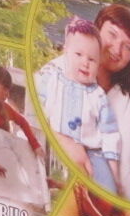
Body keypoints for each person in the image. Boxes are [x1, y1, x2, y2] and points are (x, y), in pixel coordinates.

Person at [33, 18, 120, 191]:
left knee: (106, 190)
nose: (85, 62)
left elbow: (110, 134)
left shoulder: (98, 95)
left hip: (92, 150)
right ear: (65, 53)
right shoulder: (52, 80)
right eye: (78, 55)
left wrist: (114, 172)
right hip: (54, 139)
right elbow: (36, 106)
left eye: (92, 59)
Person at [93, 3, 130, 196]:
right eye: (112, 35)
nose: (117, 49)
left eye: (127, 46)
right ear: (96, 30)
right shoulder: (67, 78)